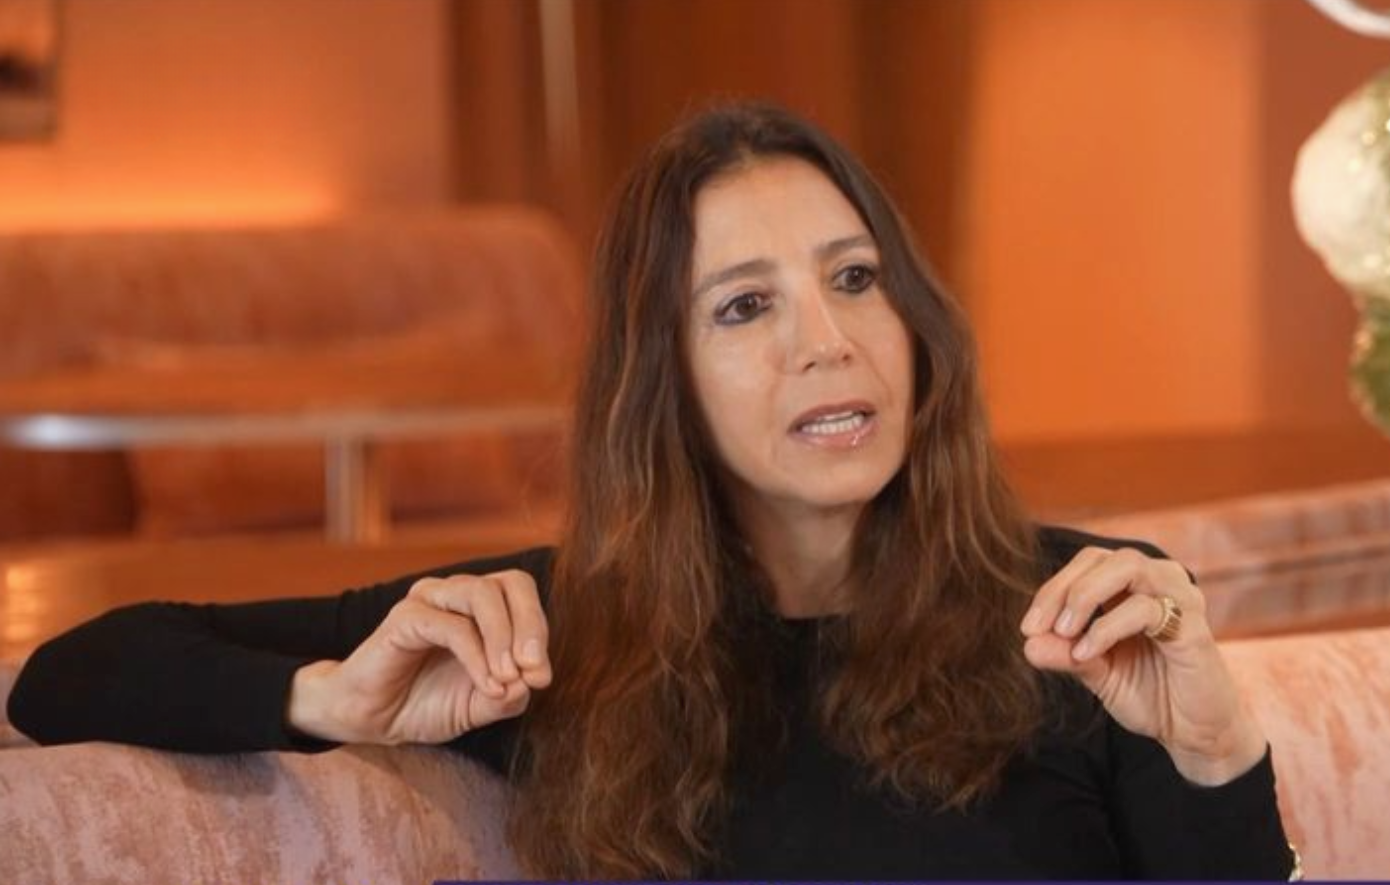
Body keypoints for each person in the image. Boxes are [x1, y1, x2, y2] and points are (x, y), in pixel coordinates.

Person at [7, 102, 1298, 880]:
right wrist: (334, 698)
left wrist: (1215, 753)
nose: (827, 341)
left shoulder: (1087, 613)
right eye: (744, 306)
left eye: (854, 280)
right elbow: (66, 676)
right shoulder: (550, 636)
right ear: (661, 379)